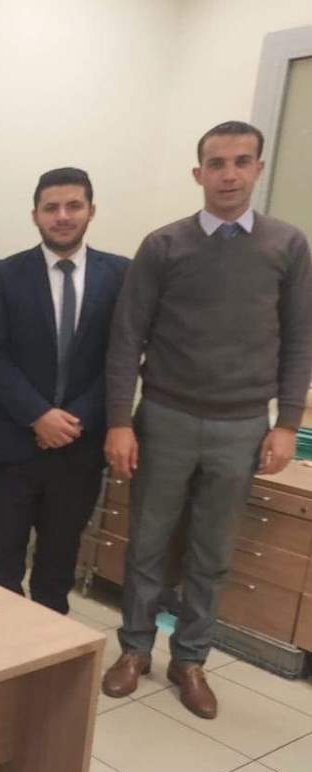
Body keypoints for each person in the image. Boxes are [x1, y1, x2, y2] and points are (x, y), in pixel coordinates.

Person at [101, 121, 312, 719]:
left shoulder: (287, 245)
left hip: (241, 425)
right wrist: (120, 421)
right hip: (164, 417)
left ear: (258, 169)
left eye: (241, 162)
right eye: (216, 164)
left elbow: (300, 339)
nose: (229, 175)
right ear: (198, 173)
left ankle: (190, 659)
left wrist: (286, 424)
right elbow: (126, 338)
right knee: (146, 541)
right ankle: (135, 649)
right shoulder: (164, 245)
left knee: (212, 551)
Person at [0, 168, 130, 614]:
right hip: (13, 445)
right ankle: (4, 645)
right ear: (35, 215)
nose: (62, 216)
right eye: (51, 208)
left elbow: (121, 357)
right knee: (2, 564)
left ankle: (51, 646)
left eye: (73, 206)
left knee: (57, 566)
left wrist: (73, 420)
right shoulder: (6, 273)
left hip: (79, 449)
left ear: (91, 211)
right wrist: (38, 416)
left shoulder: (120, 274)